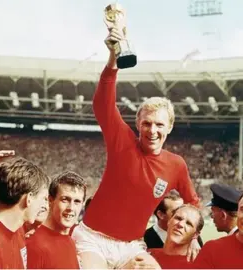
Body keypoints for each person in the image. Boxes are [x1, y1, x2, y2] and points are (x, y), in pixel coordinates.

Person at [72, 25, 200, 269]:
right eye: (147, 124)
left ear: (170, 127)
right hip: (93, 239)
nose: (153, 130)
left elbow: (192, 202)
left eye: (159, 125)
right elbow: (102, 105)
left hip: (131, 245)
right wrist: (113, 60)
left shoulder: (176, 165)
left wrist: (193, 235)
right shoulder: (122, 140)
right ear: (138, 125)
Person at [27, 171, 86, 269]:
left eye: (77, 201)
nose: (71, 207)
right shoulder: (35, 245)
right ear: (50, 200)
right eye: (65, 199)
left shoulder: (70, 242)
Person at [148, 204, 204, 269]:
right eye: (178, 218)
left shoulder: (198, 265)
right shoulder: (146, 254)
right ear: (169, 221)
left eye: (189, 223)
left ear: (195, 234)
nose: (180, 224)